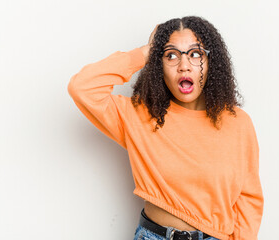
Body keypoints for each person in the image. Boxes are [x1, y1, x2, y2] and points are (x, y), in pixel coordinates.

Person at [67, 16, 264, 240]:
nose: (184, 66)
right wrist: (144, 52)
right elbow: (82, 87)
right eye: (171, 55)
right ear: (158, 64)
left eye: (196, 54)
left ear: (211, 62)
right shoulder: (139, 115)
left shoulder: (237, 122)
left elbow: (248, 198)